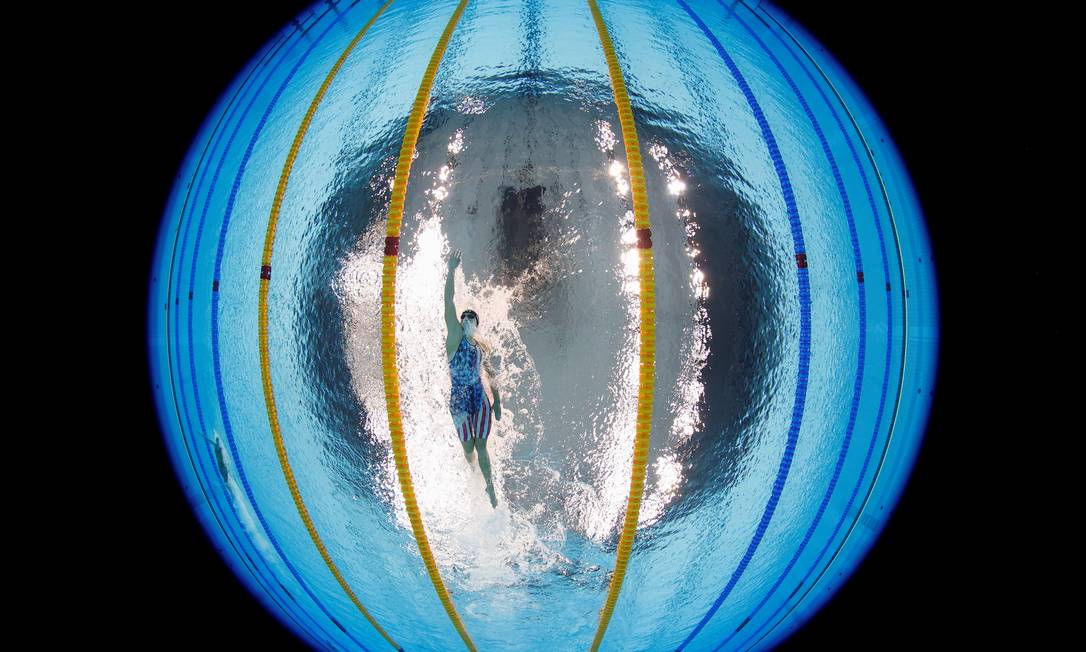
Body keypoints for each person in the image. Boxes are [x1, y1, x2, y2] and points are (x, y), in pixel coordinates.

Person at [445, 247, 502, 508]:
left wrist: (497, 401)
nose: (467, 317)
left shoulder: (481, 347)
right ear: (459, 322)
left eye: (472, 317)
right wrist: (451, 270)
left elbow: (490, 373)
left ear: (476, 324)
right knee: (468, 450)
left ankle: (490, 488)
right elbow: (449, 303)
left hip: (479, 399)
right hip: (458, 401)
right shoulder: (455, 339)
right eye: (464, 316)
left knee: (482, 447)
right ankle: (472, 473)